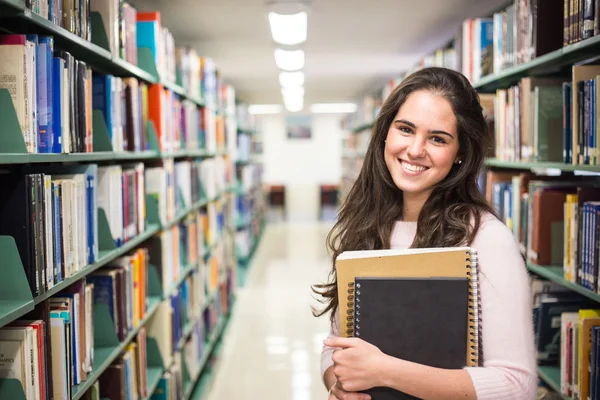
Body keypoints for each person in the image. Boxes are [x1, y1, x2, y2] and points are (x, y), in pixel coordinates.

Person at [312, 67, 537, 400]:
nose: (415, 149)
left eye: (437, 138)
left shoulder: (486, 239)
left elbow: (517, 386)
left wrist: (383, 370)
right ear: (385, 133)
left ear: (460, 152)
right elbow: (337, 349)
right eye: (405, 129)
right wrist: (338, 383)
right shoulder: (366, 225)